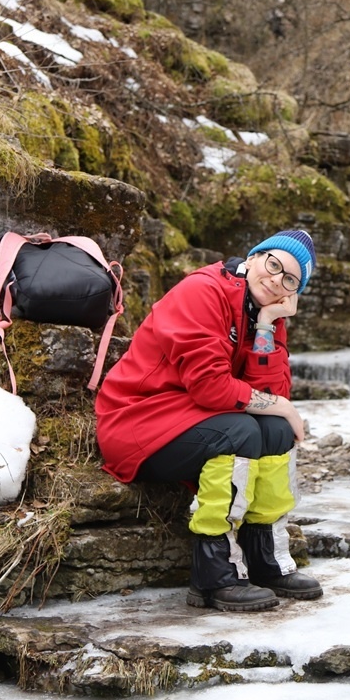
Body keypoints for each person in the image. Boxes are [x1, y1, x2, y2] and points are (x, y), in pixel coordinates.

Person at [95, 230, 323, 612]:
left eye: (290, 279)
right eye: (272, 264)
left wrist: (267, 325)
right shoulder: (203, 292)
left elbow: (270, 390)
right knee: (242, 430)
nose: (275, 279)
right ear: (252, 257)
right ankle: (214, 576)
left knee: (277, 432)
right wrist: (282, 405)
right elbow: (211, 388)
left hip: (189, 420)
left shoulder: (261, 313)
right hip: (138, 422)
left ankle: (263, 559)